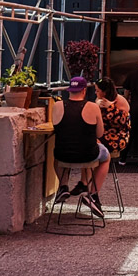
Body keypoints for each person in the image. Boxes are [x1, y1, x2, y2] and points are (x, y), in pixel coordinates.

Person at [51, 76, 109, 219]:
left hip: (63, 155)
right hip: (87, 155)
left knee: (57, 155)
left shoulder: (57, 106)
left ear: (69, 90)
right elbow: (100, 134)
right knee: (106, 156)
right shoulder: (93, 107)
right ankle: (93, 195)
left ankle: (63, 186)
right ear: (84, 90)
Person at [96, 77, 130, 155]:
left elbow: (123, 122)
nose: (95, 93)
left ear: (104, 92)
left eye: (97, 91)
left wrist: (111, 107)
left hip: (117, 136)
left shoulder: (120, 101)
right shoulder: (99, 100)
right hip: (102, 133)